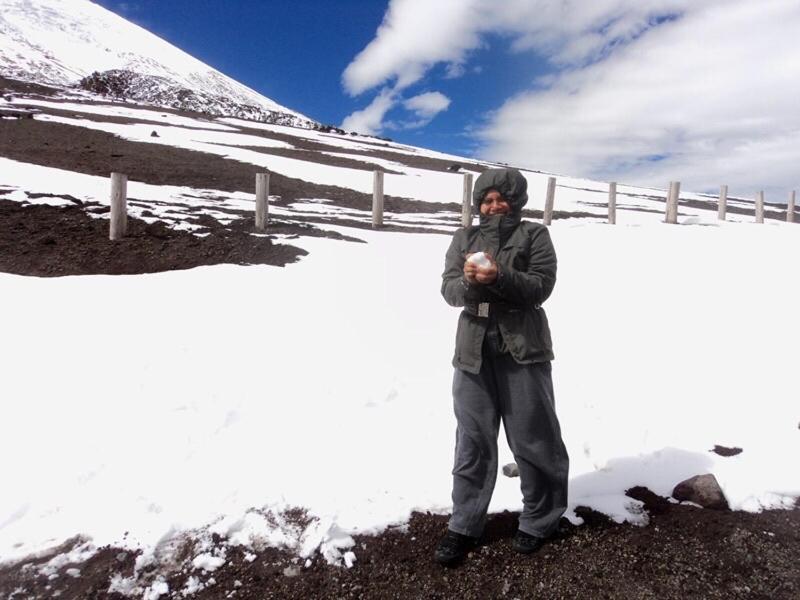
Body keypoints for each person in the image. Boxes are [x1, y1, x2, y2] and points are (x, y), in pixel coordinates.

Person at [435, 167, 569, 566]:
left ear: (516, 201)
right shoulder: (464, 238)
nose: (493, 206)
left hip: (523, 347)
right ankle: (464, 524)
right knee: (472, 441)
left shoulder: (534, 235)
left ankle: (540, 520)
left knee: (534, 437)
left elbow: (541, 286)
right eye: (486, 200)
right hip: (472, 351)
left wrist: (500, 275)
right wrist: (470, 282)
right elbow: (448, 290)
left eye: (500, 199)